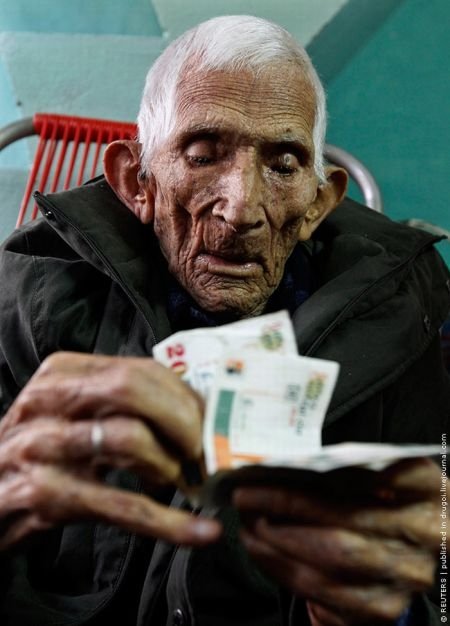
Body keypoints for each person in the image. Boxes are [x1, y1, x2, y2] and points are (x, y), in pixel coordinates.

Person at [0, 14, 448, 626]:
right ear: (137, 180)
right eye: (204, 154)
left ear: (320, 202)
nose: (240, 209)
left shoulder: (406, 312)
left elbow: (432, 585)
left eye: (285, 164)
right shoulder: (28, 296)